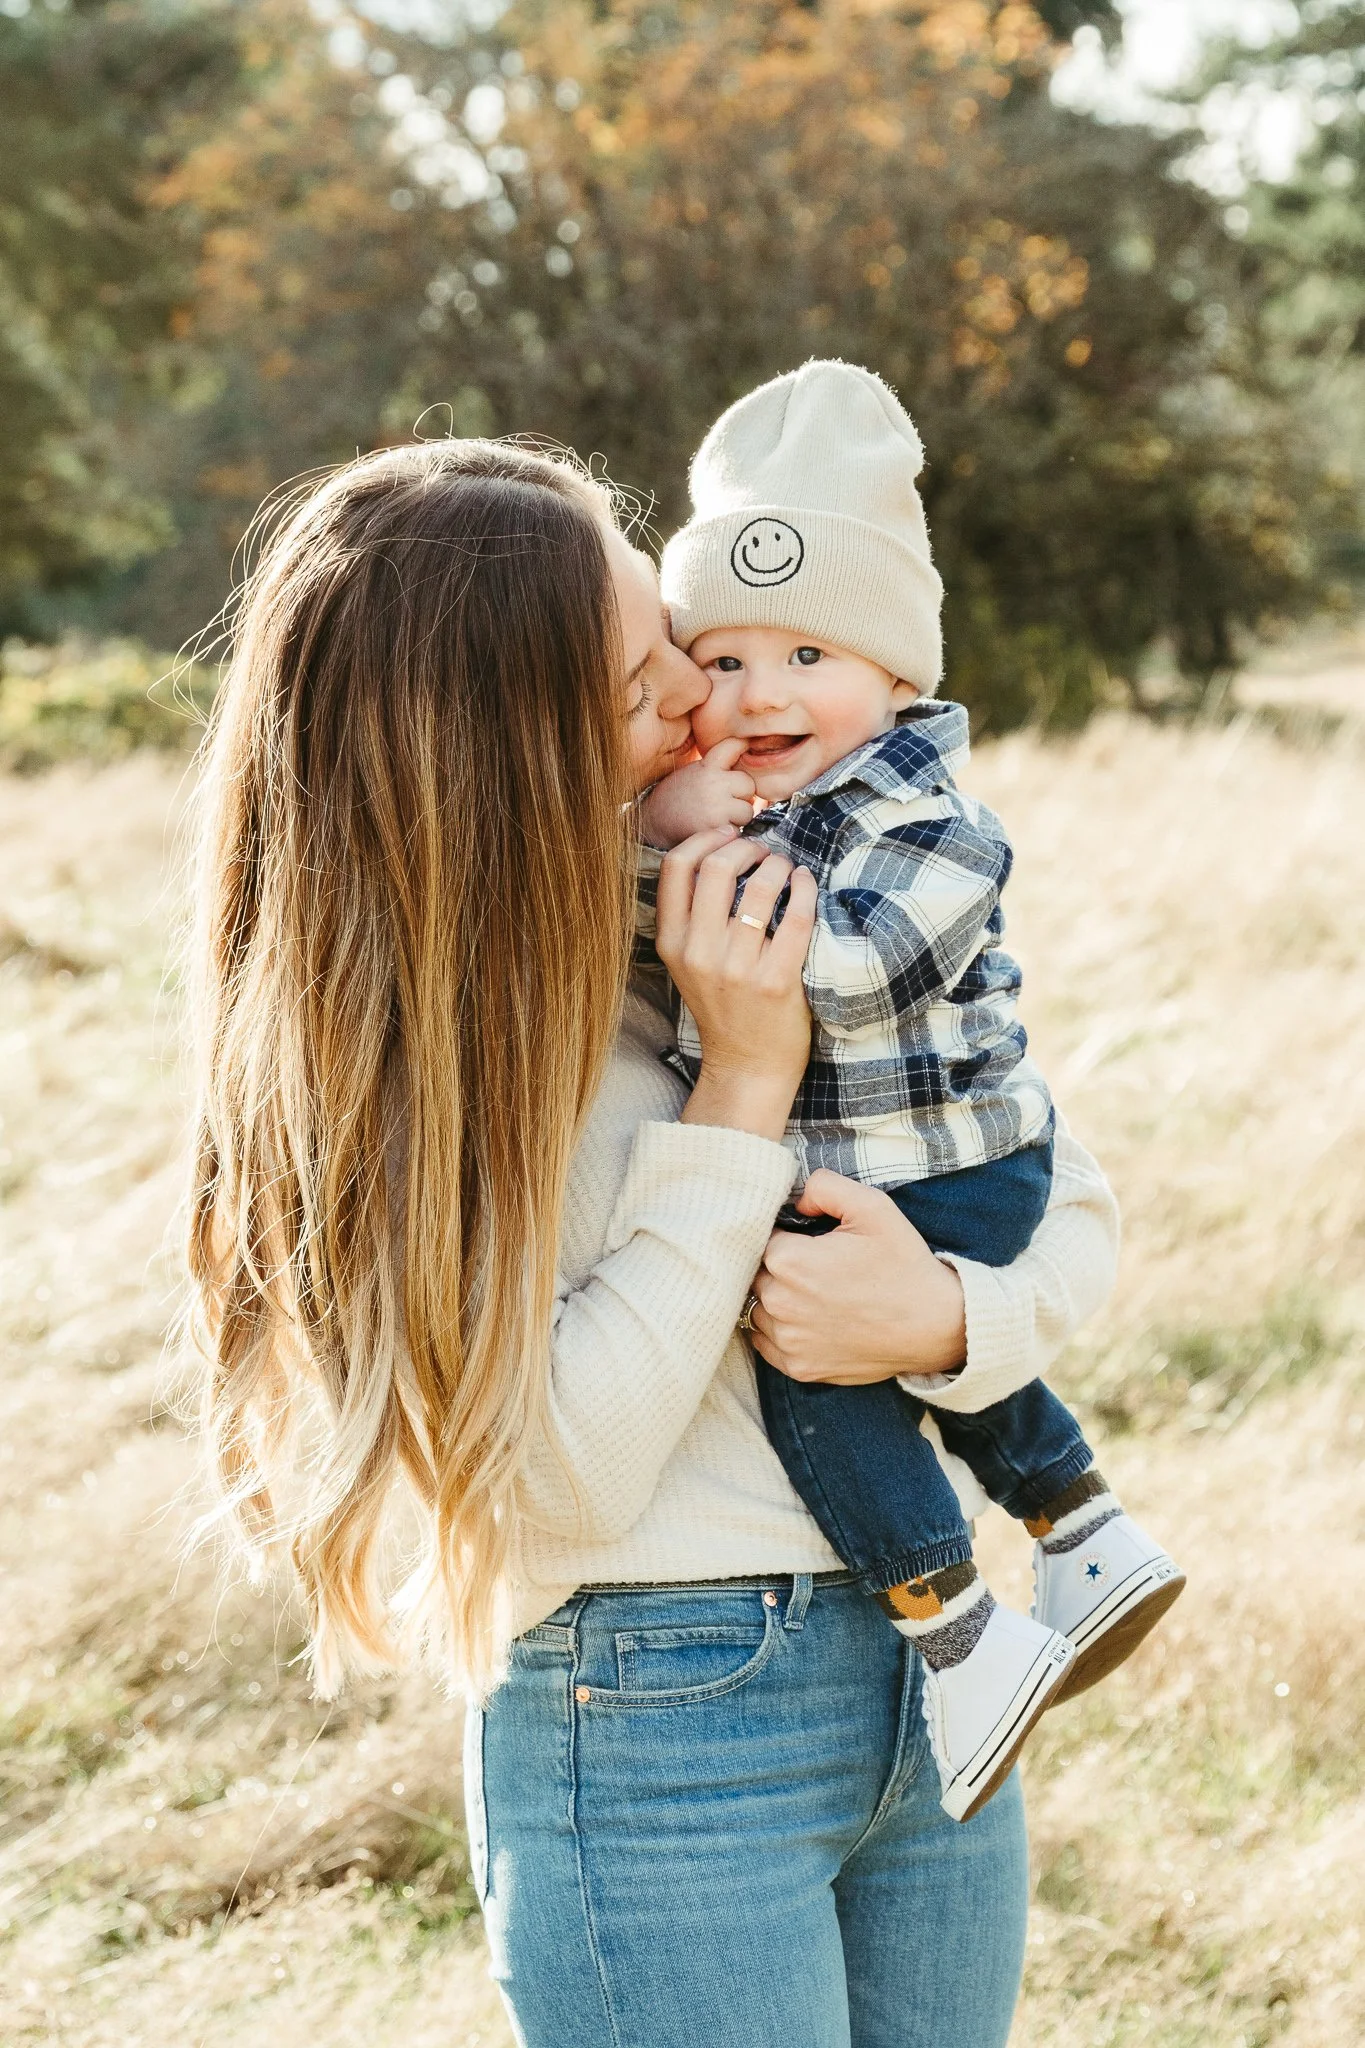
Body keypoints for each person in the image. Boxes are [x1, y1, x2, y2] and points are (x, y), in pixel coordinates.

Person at [186, 435, 1121, 2048]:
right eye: (642, 690)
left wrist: (950, 1321)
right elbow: (560, 1479)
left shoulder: (779, 886)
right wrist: (744, 1082)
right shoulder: (450, 1058)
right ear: (505, 752)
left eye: (679, 643)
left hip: (935, 1668)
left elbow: (1066, 1198)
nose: (710, 702)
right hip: (661, 1713)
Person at [638, 360, 1183, 1822]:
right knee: (860, 1326)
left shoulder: (934, 818)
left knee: (811, 1357)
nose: (762, 695)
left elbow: (847, 974)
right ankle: (1079, 1527)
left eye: (808, 657)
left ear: (898, 677)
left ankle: (953, 1624)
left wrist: (668, 874)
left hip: (953, 1167)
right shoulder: (778, 808)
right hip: (890, 1166)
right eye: (728, 659)